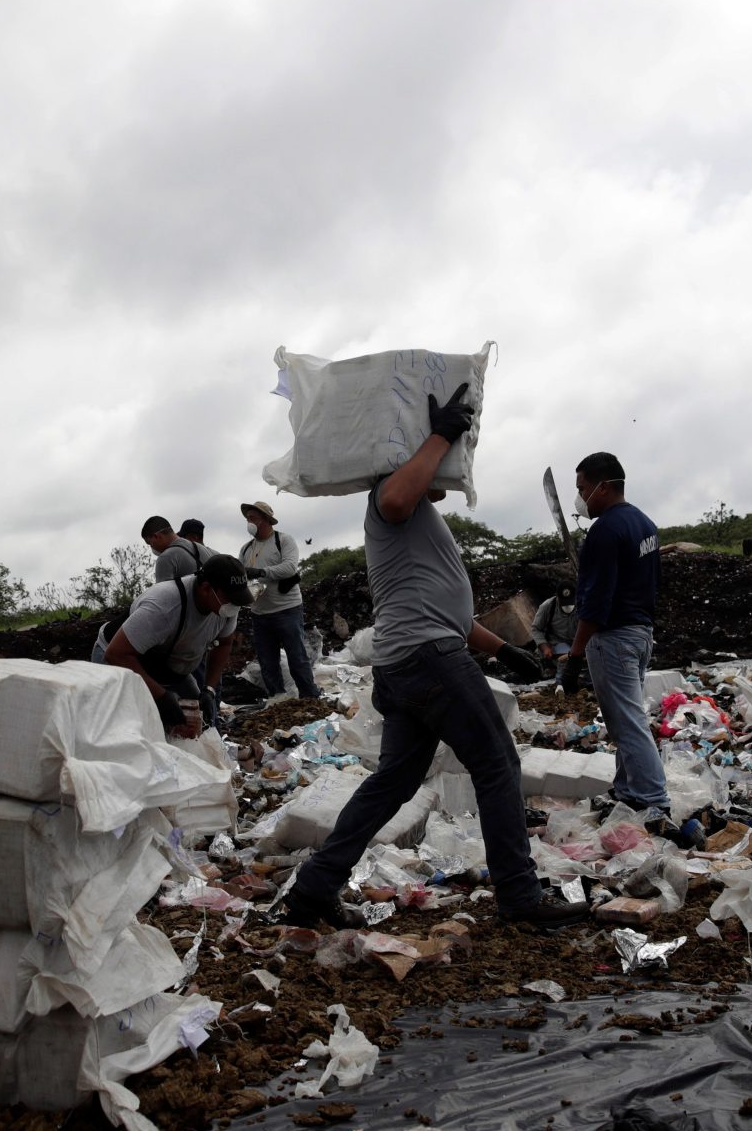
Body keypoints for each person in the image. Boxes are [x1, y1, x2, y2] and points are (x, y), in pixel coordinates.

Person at [283, 384, 578, 929]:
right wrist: (440, 433)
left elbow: (447, 612)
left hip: (405, 666)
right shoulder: (390, 500)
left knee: (393, 783)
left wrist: (505, 650)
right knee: (497, 764)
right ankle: (519, 897)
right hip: (428, 660)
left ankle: (314, 887)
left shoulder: (416, 521)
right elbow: (398, 497)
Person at [558, 453, 668, 821]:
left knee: (628, 724)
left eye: (582, 488)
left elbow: (595, 603)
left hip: (615, 638)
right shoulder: (645, 524)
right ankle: (628, 792)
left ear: (603, 487)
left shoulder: (604, 531)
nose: (580, 497)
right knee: (626, 720)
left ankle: (654, 801)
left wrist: (575, 656)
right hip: (641, 633)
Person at [93, 555, 252, 737]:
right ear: (206, 588)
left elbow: (224, 643)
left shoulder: (226, 606)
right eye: (230, 598)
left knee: (196, 723)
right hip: (120, 659)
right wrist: (160, 695)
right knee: (129, 730)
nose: (235, 605)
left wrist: (209, 690)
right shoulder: (165, 606)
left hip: (167, 666)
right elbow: (116, 654)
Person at [238, 499, 321, 700]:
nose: (249, 522)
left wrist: (260, 572)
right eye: (247, 518)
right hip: (260, 614)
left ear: (266, 519)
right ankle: (278, 699)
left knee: (297, 657)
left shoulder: (283, 541)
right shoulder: (246, 549)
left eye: (253, 518)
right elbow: (241, 573)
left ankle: (310, 698)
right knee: (267, 662)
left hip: (287, 609)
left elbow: (290, 567)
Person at [144, 515, 213, 582]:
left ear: (156, 536)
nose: (152, 547)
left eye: (150, 543)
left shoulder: (166, 557)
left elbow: (162, 589)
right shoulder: (212, 553)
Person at [530, 588, 578, 666]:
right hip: (557, 642)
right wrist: (545, 647)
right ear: (557, 597)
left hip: (577, 641)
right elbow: (536, 629)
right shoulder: (547, 606)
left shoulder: (581, 603)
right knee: (567, 663)